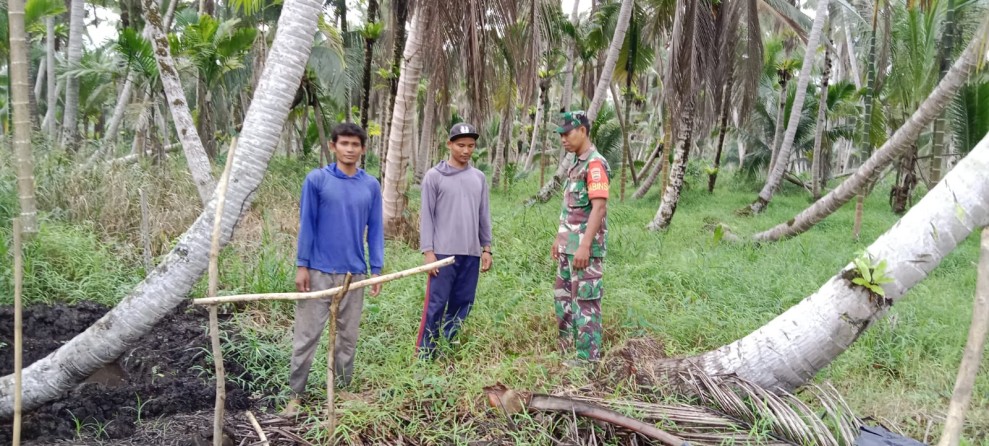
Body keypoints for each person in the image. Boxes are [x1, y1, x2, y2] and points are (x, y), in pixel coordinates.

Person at [282, 123, 383, 417]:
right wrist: (302, 265)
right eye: (344, 143)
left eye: (355, 144)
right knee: (306, 337)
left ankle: (342, 393)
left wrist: (376, 269)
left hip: (354, 274)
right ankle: (295, 396)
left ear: (363, 149)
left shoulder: (370, 186)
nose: (350, 149)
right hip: (318, 272)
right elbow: (307, 224)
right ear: (333, 146)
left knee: (347, 339)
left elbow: (376, 230)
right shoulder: (317, 180)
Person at [416, 122, 493, 358]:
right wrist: (428, 252)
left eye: (471, 146)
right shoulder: (434, 176)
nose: (466, 150)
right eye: (461, 145)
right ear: (449, 144)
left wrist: (486, 248)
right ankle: (426, 353)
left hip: (470, 253)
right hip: (442, 254)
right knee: (436, 304)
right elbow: (426, 216)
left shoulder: (478, 178)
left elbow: (483, 214)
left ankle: (449, 347)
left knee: (463, 302)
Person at [551, 111, 610, 367]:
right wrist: (560, 238)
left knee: (586, 304)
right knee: (564, 300)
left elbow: (599, 208)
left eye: (567, 134)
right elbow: (571, 209)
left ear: (583, 131)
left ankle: (587, 360)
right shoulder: (576, 164)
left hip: (585, 250)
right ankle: (566, 352)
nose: (563, 139)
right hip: (568, 247)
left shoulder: (595, 165)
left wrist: (585, 246)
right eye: (561, 135)